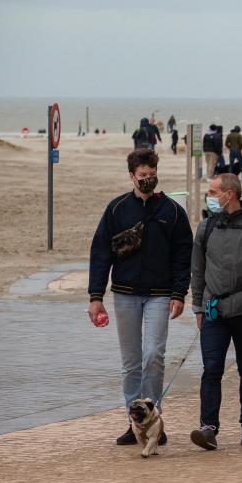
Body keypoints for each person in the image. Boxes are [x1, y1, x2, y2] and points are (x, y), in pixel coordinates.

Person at [88, 149, 192, 446]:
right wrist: (96, 296)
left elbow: (184, 254)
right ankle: (134, 424)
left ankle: (153, 420)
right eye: (142, 175)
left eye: (151, 174)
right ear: (132, 175)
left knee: (154, 357)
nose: (147, 179)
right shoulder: (117, 209)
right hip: (124, 295)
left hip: (160, 295)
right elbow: (100, 253)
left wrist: (179, 293)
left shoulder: (172, 211)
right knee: (131, 362)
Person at [190, 173, 242, 450]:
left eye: (213, 191)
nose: (209, 196)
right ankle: (208, 427)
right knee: (211, 369)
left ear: (229, 194)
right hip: (213, 313)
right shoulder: (206, 227)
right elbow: (197, 270)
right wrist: (198, 306)